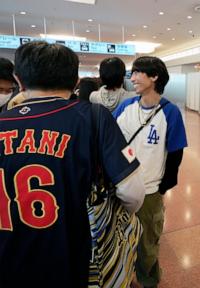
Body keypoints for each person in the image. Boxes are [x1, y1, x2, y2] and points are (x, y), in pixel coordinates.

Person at [0, 41, 145, 288]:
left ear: (19, 80)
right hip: (72, 256)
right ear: (76, 80)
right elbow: (132, 191)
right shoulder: (94, 117)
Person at [113, 56, 187, 288]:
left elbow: (176, 152)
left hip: (150, 190)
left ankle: (147, 280)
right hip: (122, 186)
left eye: (137, 73)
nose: (132, 78)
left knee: (147, 242)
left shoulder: (170, 112)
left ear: (154, 77)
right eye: (131, 73)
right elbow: (114, 142)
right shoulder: (126, 107)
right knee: (121, 237)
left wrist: (164, 185)